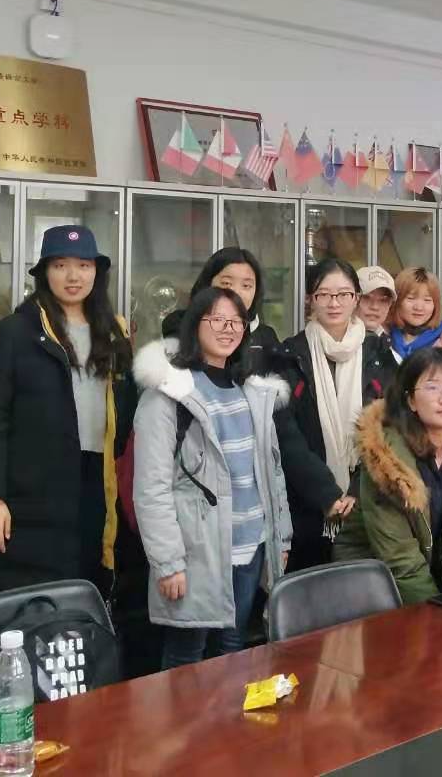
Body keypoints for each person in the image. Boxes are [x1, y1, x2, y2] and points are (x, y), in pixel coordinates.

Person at [131, 286, 292, 668]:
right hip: (196, 551)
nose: (227, 328)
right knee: (187, 656)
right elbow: (151, 488)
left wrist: (280, 536)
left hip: (250, 546)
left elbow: (272, 471)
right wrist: (168, 562)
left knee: (234, 649)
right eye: (217, 319)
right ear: (195, 324)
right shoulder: (169, 393)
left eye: (236, 321)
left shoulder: (252, 391)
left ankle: (228, 712)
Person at [0, 226, 137, 594]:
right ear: (45, 272)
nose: (73, 276)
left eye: (84, 265)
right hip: (33, 486)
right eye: (61, 265)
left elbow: (128, 410)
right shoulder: (15, 333)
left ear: (97, 272)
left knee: (88, 579)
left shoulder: (113, 333)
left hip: (98, 477)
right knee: (34, 589)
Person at [332, 347, 442, 602]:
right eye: (432, 387)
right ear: (410, 400)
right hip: (371, 589)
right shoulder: (386, 458)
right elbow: (400, 563)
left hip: (436, 587)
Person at [274, 257, 396, 571]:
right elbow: (286, 433)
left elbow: (391, 428)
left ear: (356, 298)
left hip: (369, 501)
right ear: (310, 299)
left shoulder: (380, 354)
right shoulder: (289, 355)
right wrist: (327, 493)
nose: (334, 303)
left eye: (343, 294)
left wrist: (357, 490)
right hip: (307, 504)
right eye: (324, 294)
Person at [161, 247, 279, 377]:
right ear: (207, 284)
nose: (236, 292)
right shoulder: (180, 324)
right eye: (226, 283)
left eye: (246, 286)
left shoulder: (266, 337)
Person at [387, 267, 442, 367]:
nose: (419, 307)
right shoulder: (384, 336)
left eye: (427, 300)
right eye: (411, 298)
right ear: (396, 301)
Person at [356, 265, 396, 337]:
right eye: (366, 298)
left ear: (390, 304)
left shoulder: (391, 339)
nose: (375, 307)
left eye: (383, 300)